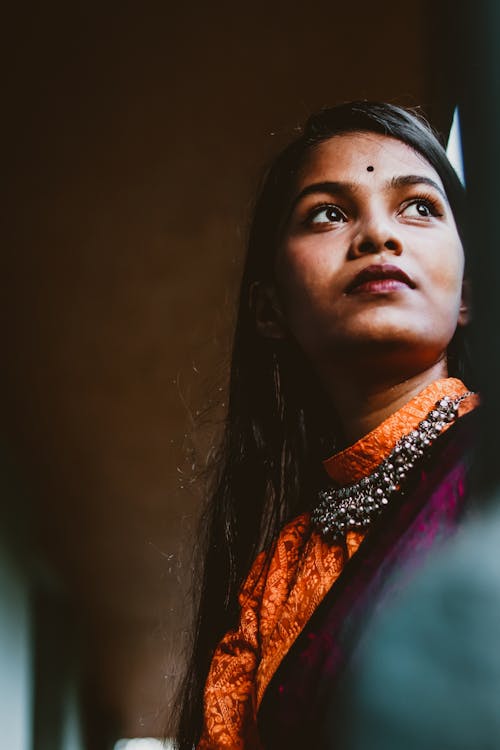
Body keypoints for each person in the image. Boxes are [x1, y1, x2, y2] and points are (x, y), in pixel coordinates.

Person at [174, 101, 479, 749]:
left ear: (471, 291)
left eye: (420, 207)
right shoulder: (275, 581)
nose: (378, 237)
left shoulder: (490, 471)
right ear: (269, 310)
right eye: (329, 214)